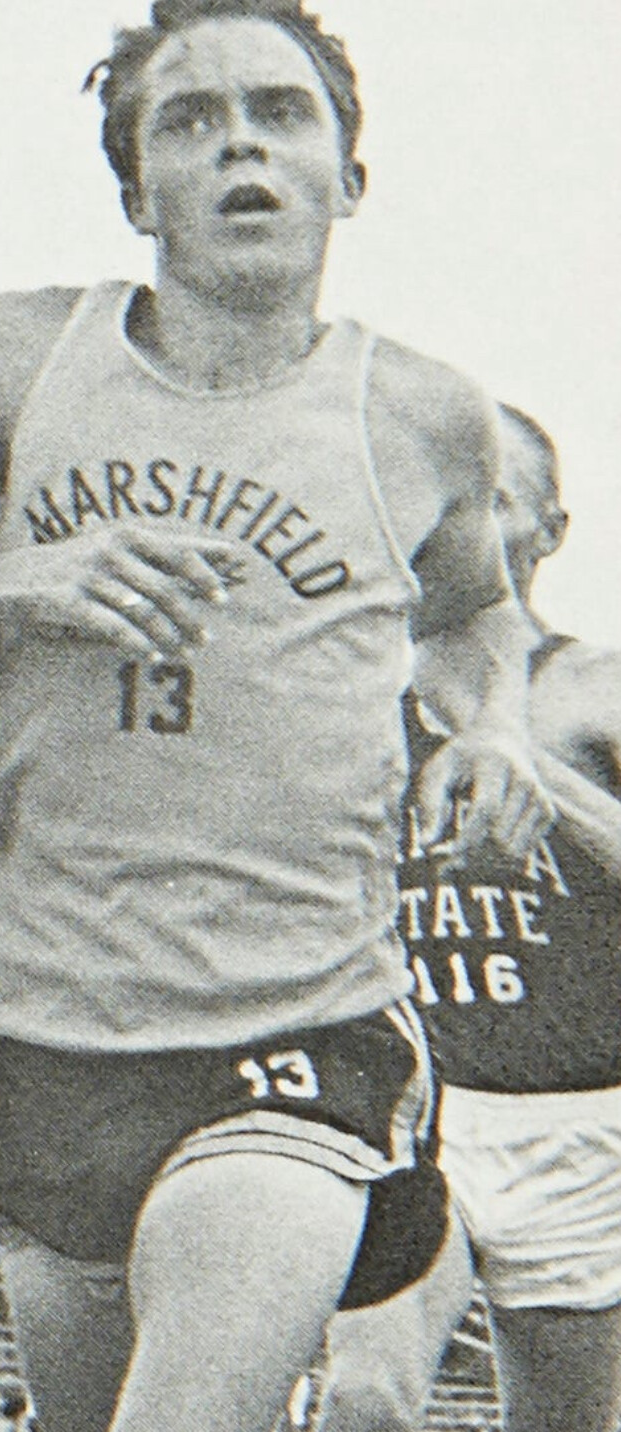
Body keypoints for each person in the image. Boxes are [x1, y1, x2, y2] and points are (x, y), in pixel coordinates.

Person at [0, 4, 551, 1429]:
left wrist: (492, 729)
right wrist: (17, 582)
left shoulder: (420, 414)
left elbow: (471, 617)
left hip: (304, 1022)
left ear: (346, 176)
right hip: (51, 1030)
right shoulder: (19, 357)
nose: (239, 145)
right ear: (137, 193)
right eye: (189, 122)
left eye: (278, 112)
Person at [319, 404, 621, 1432]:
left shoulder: (596, 691)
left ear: (549, 530)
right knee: (363, 1399)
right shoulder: (345, 711)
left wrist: (526, 772)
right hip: (403, 1104)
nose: (451, 525)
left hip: (572, 1118)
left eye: (488, 500)